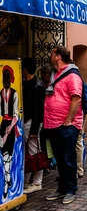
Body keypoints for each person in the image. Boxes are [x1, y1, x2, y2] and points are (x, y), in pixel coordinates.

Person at [44, 46, 83, 204]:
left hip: (66, 124)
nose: (51, 56)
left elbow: (76, 98)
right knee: (60, 158)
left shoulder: (72, 75)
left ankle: (71, 190)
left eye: (52, 53)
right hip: (53, 123)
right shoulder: (57, 74)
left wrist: (68, 120)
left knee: (68, 158)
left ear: (58, 56)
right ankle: (62, 188)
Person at [22, 57, 46, 194]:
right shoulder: (32, 84)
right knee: (30, 153)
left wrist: (34, 129)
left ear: (24, 70)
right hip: (28, 122)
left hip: (31, 123)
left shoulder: (36, 85)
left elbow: (39, 110)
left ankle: (37, 182)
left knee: (34, 153)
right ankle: (29, 181)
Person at [0, 65, 20, 199]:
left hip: (11, 126)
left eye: (7, 78)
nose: (5, 81)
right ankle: (7, 180)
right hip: (3, 125)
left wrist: (10, 127)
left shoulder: (15, 93)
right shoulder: (0, 93)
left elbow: (16, 115)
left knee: (8, 155)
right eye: (4, 78)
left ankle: (7, 184)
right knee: (3, 154)